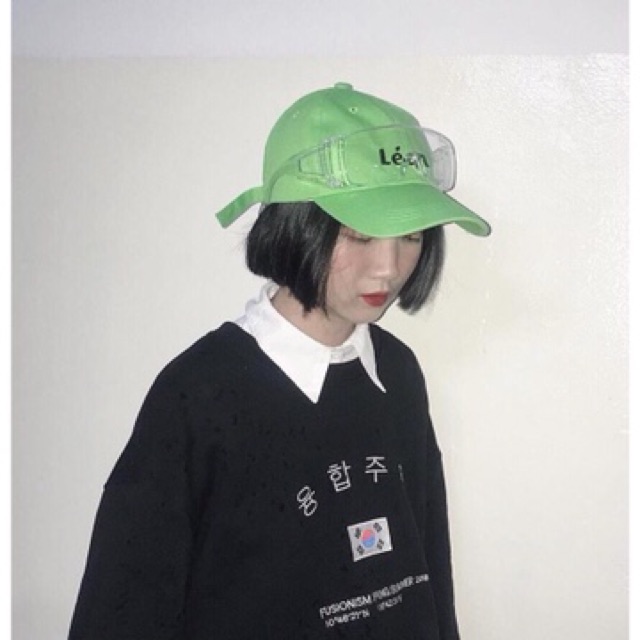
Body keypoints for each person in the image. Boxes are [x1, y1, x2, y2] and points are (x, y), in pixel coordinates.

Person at [68, 82, 491, 639]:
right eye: (359, 234)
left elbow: (427, 565)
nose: (388, 268)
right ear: (295, 225)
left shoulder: (397, 372)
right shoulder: (200, 395)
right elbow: (121, 610)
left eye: (410, 235)